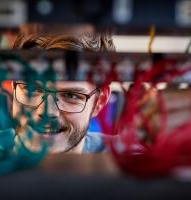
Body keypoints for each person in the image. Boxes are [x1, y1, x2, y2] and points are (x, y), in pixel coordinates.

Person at [12, 24, 115, 153]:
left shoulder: (132, 161)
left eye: (70, 95)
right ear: (13, 87)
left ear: (99, 102)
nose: (47, 113)